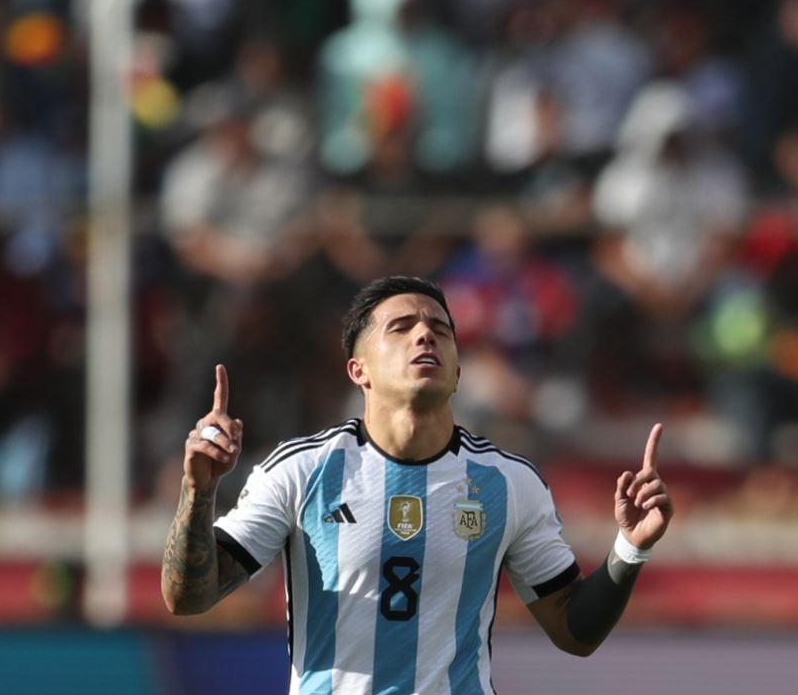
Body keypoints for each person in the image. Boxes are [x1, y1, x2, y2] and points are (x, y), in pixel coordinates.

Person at [160, 275, 674, 693]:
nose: (424, 336)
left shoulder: (508, 482)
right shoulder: (302, 470)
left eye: (440, 330)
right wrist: (199, 491)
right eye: (401, 327)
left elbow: (574, 630)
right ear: (358, 370)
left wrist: (630, 546)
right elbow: (187, 598)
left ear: (456, 372)